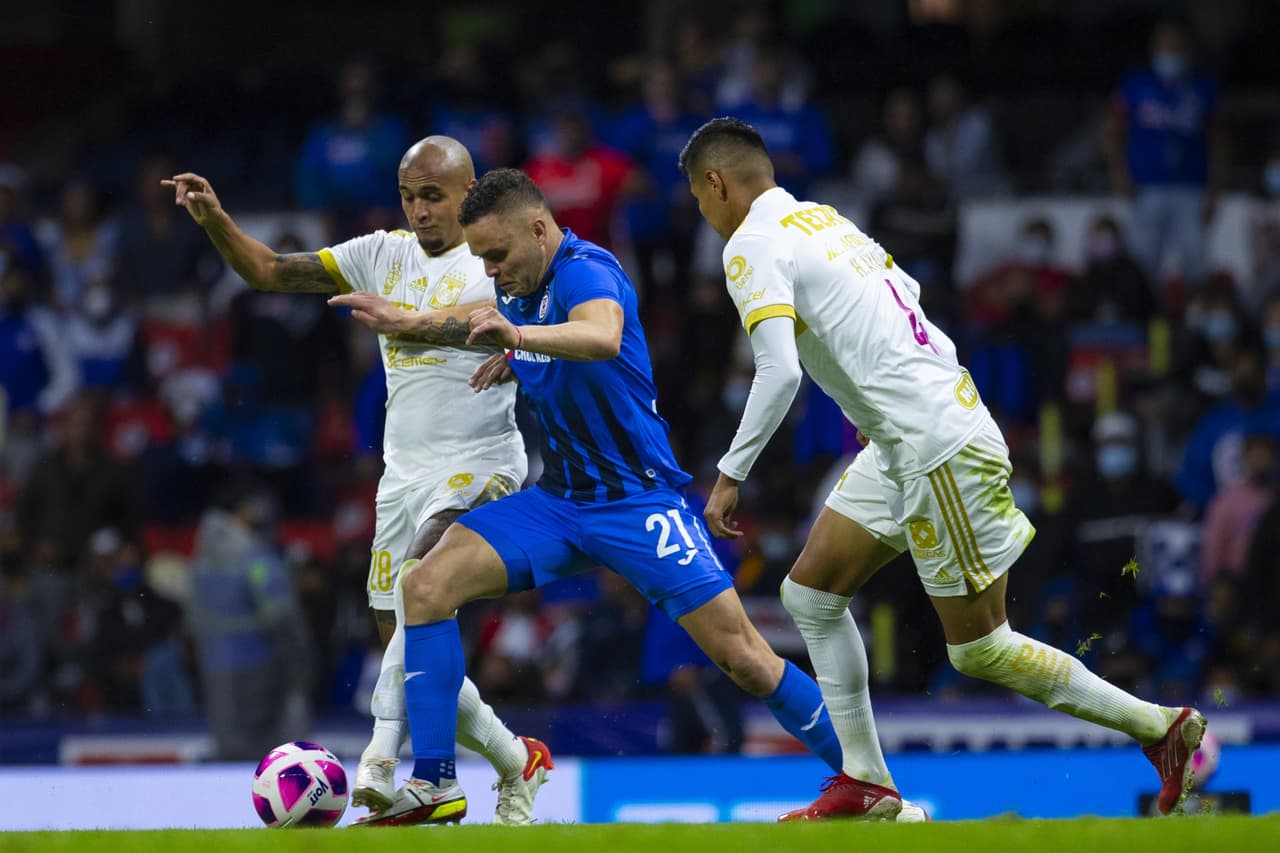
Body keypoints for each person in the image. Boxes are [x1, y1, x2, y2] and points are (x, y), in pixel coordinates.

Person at [331, 168, 925, 826]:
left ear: (538, 229)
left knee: (745, 658)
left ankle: (866, 783)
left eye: (497, 256)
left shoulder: (588, 270)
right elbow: (471, 318)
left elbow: (600, 334)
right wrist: (408, 321)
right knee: (423, 584)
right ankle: (436, 781)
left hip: (640, 505)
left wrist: (519, 341)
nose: (491, 271)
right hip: (559, 503)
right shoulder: (517, 290)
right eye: (481, 260)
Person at [678, 117, 1206, 821]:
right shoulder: (827, 222)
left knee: (981, 650)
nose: (704, 217)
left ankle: (1160, 726)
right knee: (809, 594)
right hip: (906, 439)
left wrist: (730, 471)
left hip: (935, 446)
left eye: (699, 200)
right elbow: (912, 301)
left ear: (716, 184)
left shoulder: (751, 243)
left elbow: (778, 371)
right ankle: (867, 783)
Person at [163, 137, 549, 825]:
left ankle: (380, 756)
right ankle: (516, 757)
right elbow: (274, 273)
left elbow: (560, 327)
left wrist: (523, 352)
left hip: (483, 457)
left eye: (434, 195)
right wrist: (216, 219)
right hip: (403, 473)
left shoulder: (497, 259)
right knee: (415, 646)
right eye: (409, 196)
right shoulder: (381, 252)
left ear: (469, 191)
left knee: (421, 579)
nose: (421, 209)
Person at [1104, 18, 1225, 290]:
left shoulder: (1202, 87)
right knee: (1144, 262)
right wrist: (1119, 173)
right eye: (1165, 48)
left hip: (1191, 187)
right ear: (1154, 50)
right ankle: (1148, 324)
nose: (1170, 55)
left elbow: (1218, 142)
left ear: (1187, 51)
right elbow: (1112, 132)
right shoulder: (1136, 84)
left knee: (1196, 262)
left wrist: (1215, 190)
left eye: (1176, 49)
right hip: (1147, 186)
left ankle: (1197, 322)